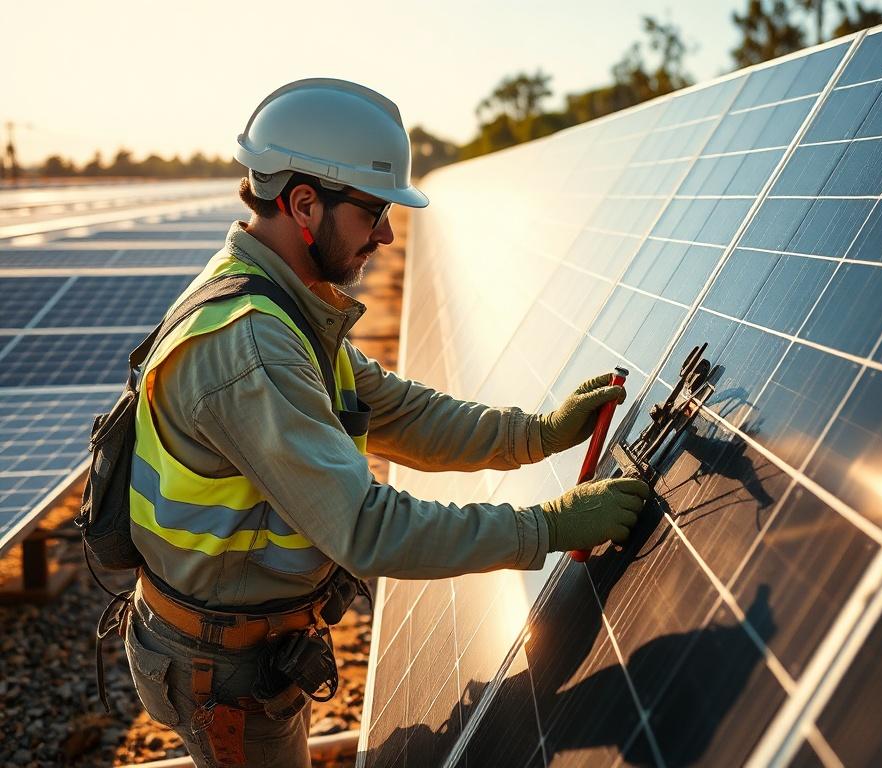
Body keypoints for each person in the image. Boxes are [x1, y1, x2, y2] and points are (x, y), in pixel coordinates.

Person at [122, 78, 649, 767]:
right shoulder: (250, 345)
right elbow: (367, 528)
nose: (388, 233)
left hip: (248, 646)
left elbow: (401, 410)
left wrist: (540, 433)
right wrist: (546, 527)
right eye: (373, 211)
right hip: (220, 671)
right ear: (304, 204)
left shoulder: (283, 303)